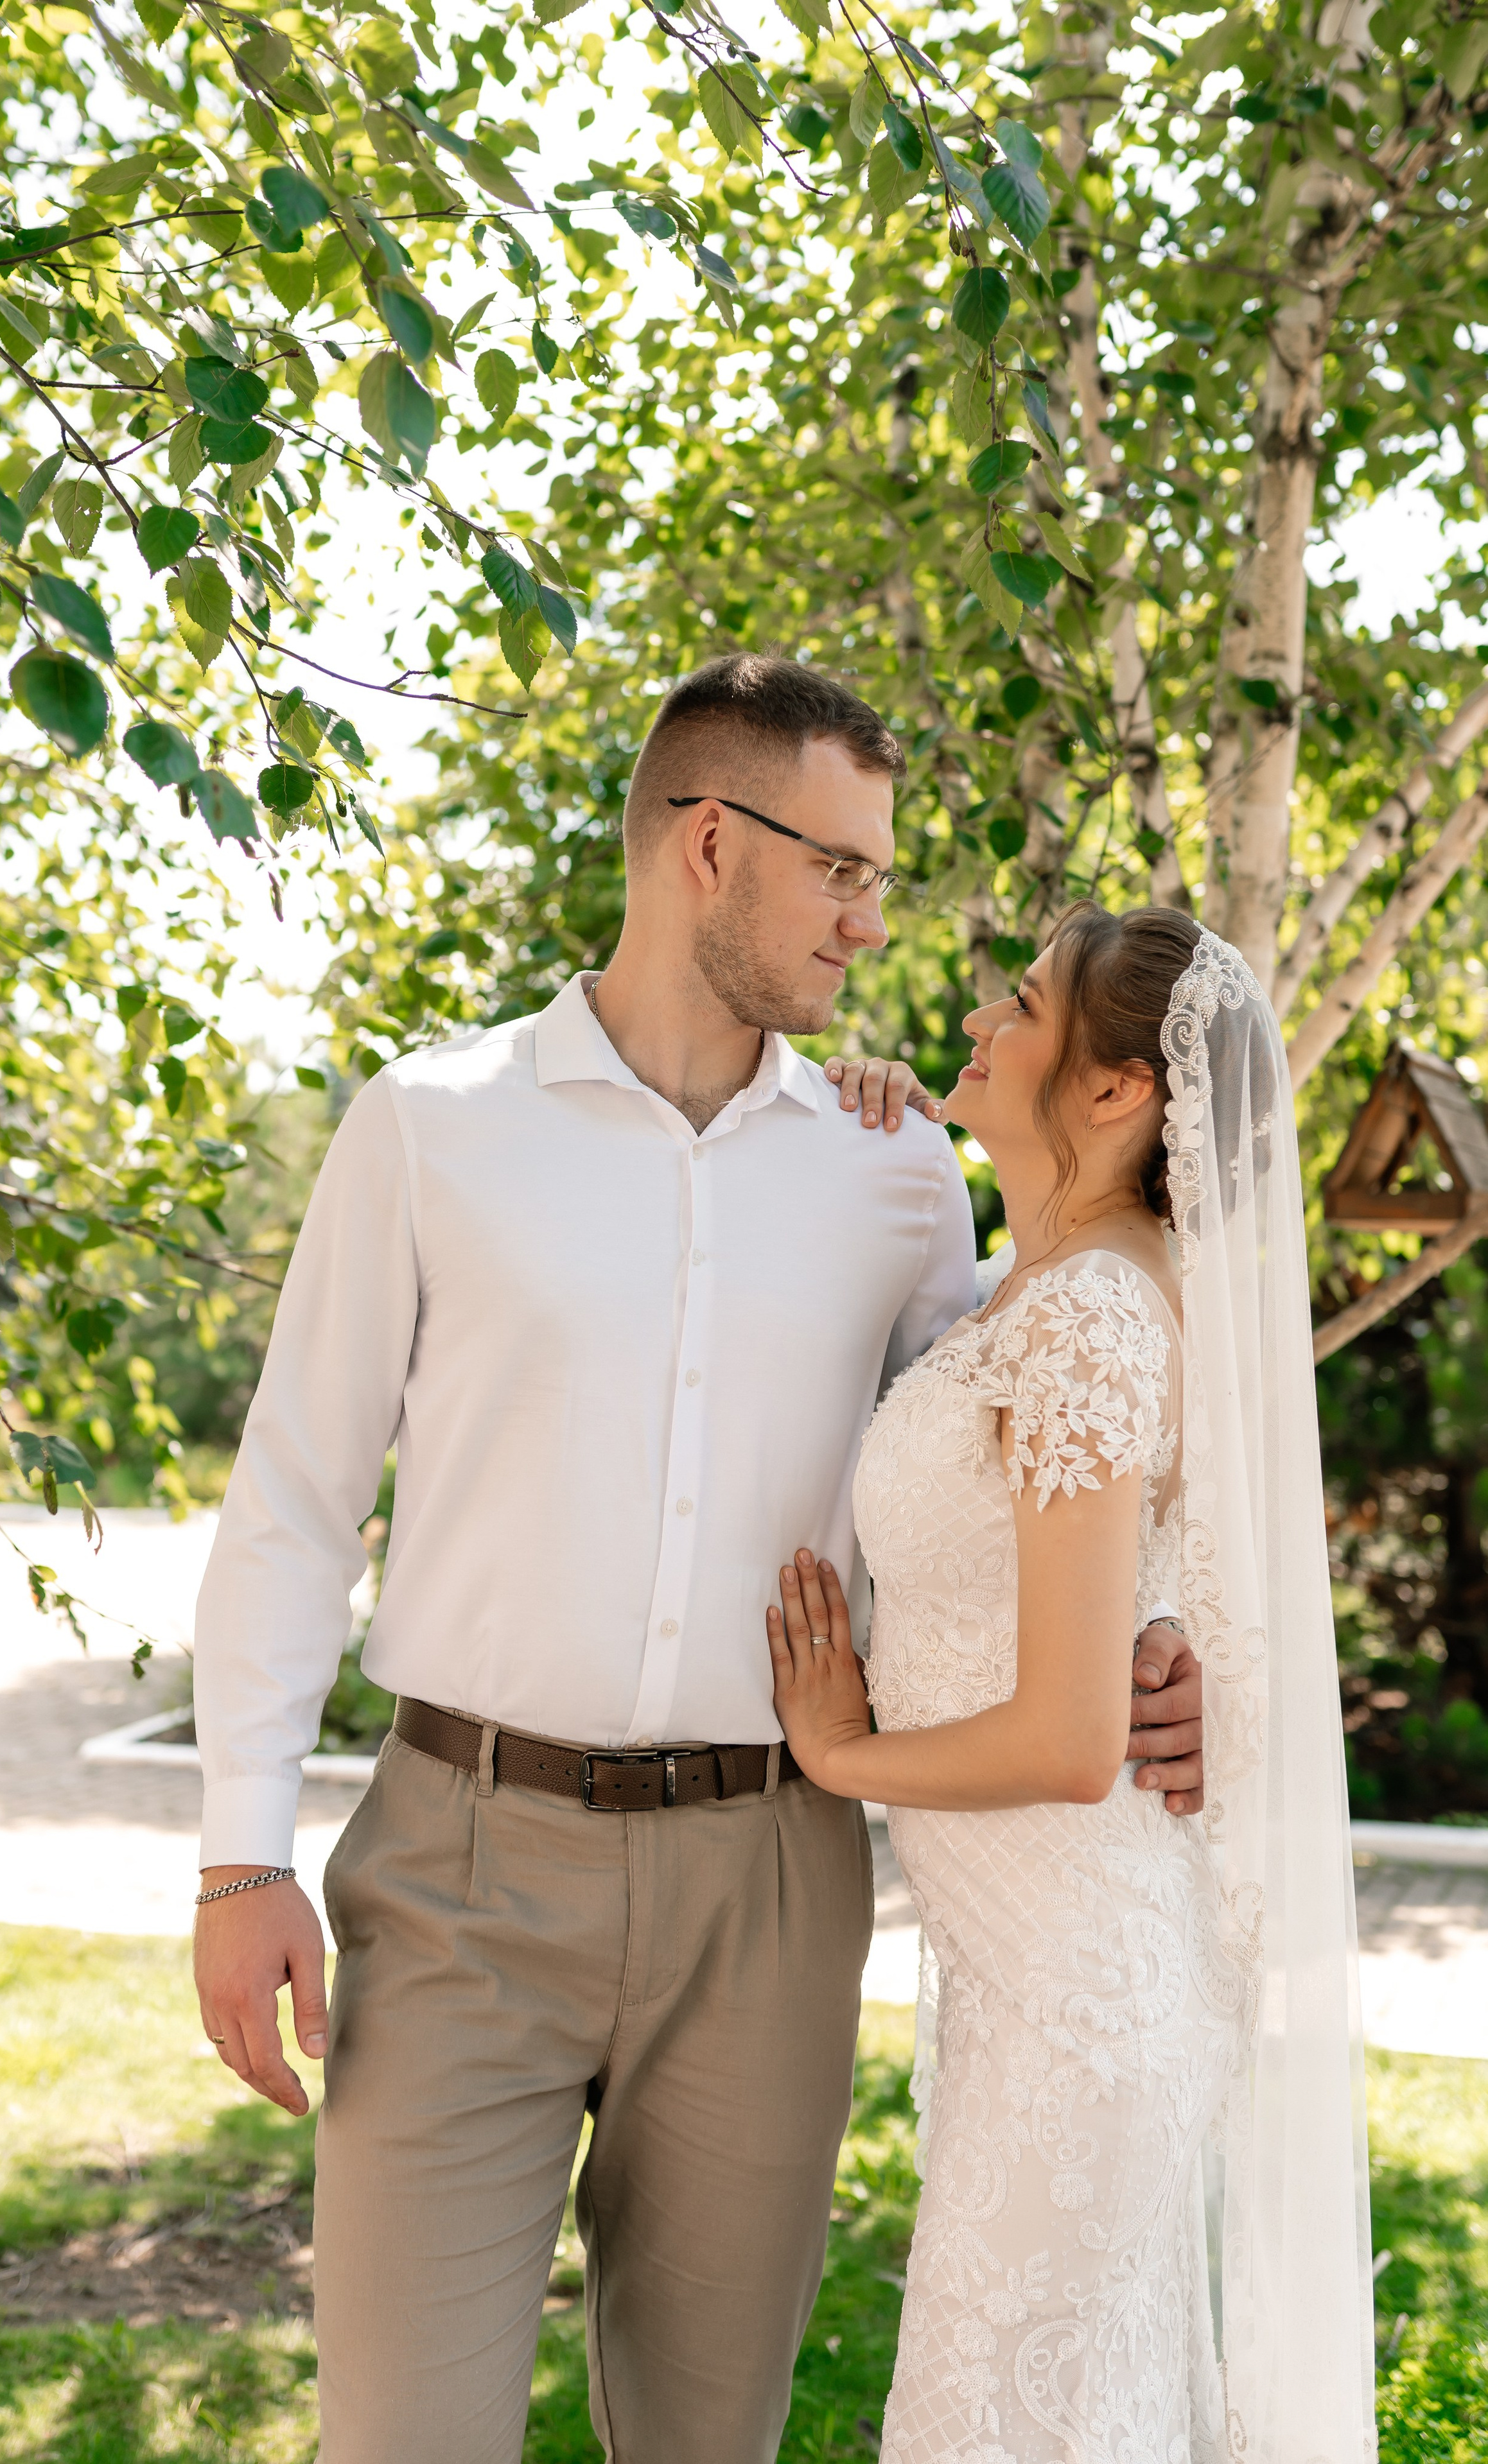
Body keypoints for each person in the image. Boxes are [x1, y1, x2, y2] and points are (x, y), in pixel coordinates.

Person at [190, 655, 1204, 2464]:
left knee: (706, 2438)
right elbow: (292, 1493)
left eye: (879, 877)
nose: (870, 917)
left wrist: (1157, 1648)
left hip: (772, 1883)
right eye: (843, 869)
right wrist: (236, 1855)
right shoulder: (432, 1124)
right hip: (463, 1870)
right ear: (710, 845)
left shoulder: (894, 1172)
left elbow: (1009, 1463)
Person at [769, 903, 1375, 2462]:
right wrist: (866, 1106)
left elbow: (1064, 1733)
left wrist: (841, 1752)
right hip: (1051, 1987)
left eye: (1020, 1002)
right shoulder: (1045, 1286)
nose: (980, 1011)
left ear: (1113, 1090)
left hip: (1078, 2007)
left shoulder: (1096, 1314)